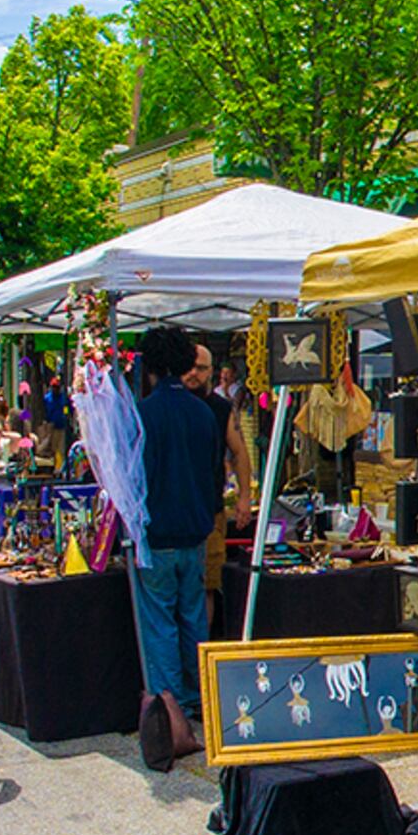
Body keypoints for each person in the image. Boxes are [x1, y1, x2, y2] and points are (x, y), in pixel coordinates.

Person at [131, 327, 227, 767]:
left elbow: (137, 477)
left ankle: (171, 708)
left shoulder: (143, 415)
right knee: (192, 617)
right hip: (194, 527)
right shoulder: (203, 412)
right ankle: (196, 698)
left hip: (158, 532)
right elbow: (214, 473)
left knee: (161, 622)